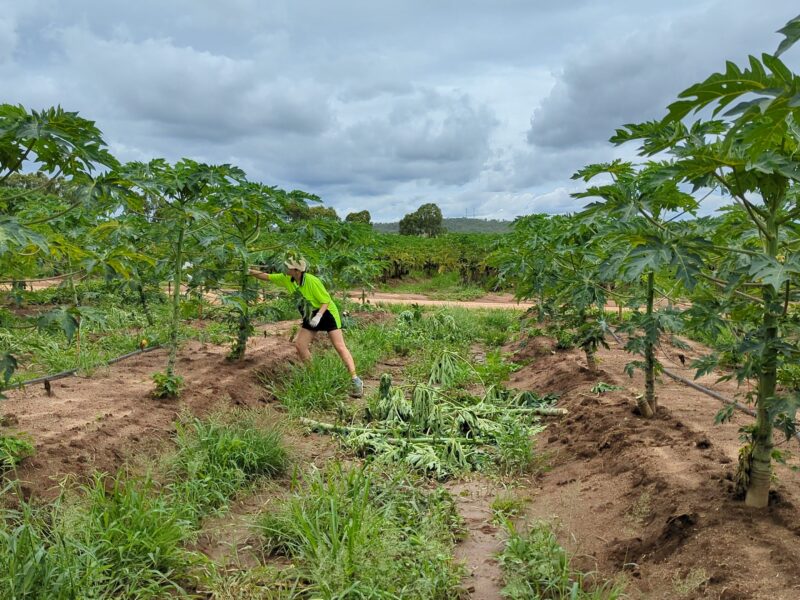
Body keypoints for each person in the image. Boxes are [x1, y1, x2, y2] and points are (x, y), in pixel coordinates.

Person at [249, 258, 363, 398]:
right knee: (300, 345)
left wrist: (319, 316)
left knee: (339, 346)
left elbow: (325, 300)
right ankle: (314, 376)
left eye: (289, 267)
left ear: (297, 271)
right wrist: (249, 271)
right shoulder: (287, 278)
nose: (285, 269)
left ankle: (355, 379)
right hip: (309, 313)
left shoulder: (312, 281)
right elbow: (266, 276)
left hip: (326, 313)